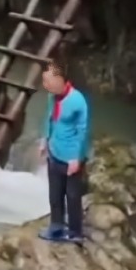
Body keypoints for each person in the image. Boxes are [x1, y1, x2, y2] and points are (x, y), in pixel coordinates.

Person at [38, 62, 90, 246]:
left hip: (71, 158)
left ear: (60, 79)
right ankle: (56, 226)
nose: (45, 85)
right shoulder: (52, 97)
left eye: (48, 81)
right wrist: (44, 139)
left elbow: (82, 132)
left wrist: (77, 158)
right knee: (55, 194)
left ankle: (75, 232)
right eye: (44, 81)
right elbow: (49, 117)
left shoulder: (78, 101)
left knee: (73, 196)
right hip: (54, 152)